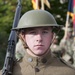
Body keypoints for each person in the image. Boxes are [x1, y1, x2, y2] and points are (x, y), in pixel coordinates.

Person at [0, 10, 75, 75]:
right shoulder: (9, 71)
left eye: (45, 32)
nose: (39, 38)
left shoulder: (69, 72)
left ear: (52, 36)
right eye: (33, 33)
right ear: (23, 37)